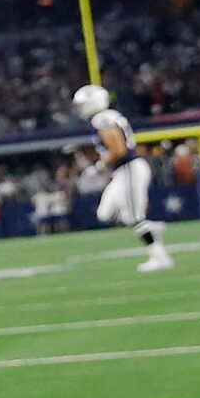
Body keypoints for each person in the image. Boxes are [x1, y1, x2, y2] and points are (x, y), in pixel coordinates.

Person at [70, 85, 169, 272]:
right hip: (122, 172)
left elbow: (119, 150)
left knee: (134, 217)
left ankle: (160, 257)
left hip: (129, 169)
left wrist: (101, 165)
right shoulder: (106, 117)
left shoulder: (103, 119)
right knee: (105, 213)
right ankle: (150, 227)